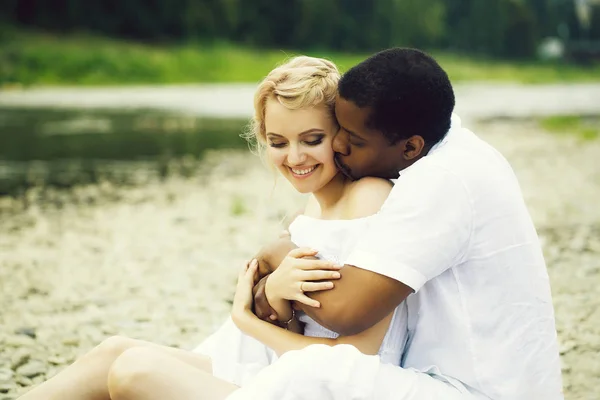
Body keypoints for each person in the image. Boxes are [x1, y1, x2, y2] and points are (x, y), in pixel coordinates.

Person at [17, 56, 410, 400]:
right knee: (113, 351)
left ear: (342, 137)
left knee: (133, 369)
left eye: (312, 139)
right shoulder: (310, 208)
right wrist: (275, 294)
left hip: (322, 388)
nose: (294, 157)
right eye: (277, 142)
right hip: (273, 368)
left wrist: (246, 321)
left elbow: (356, 361)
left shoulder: (369, 196)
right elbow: (305, 327)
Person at [227, 47, 564, 400]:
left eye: (352, 140)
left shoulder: (440, 181)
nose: (339, 145)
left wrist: (276, 255)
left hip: (476, 390)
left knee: (311, 372)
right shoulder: (452, 144)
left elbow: (346, 312)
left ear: (410, 147)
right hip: (452, 379)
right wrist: (272, 290)